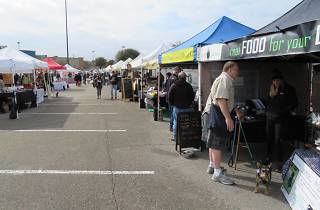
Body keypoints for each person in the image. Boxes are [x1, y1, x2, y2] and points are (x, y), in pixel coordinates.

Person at [203, 61, 240, 185]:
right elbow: (221, 100)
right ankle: (217, 173)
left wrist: (233, 111)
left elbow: (224, 100)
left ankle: (213, 166)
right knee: (217, 144)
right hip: (218, 114)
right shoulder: (225, 79)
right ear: (229, 70)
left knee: (213, 143)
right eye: (236, 70)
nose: (237, 72)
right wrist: (228, 118)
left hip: (215, 113)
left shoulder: (224, 79)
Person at [266, 71, 298, 172]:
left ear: (281, 80)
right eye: (274, 81)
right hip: (270, 117)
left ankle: (279, 162)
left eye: (277, 80)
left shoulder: (289, 89)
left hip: (281, 118)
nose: (275, 82)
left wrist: (282, 112)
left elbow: (294, 103)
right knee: (269, 137)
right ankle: (268, 157)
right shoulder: (272, 89)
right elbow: (270, 101)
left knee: (278, 139)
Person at [168, 71, 195, 141]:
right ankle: (185, 137)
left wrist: (172, 103)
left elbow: (169, 96)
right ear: (185, 78)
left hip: (177, 107)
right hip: (187, 107)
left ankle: (175, 137)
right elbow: (192, 96)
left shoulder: (174, 85)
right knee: (186, 123)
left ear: (178, 77)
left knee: (176, 122)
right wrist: (189, 103)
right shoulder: (189, 86)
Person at [166, 67, 182, 132]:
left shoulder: (169, 78)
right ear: (176, 71)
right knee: (173, 115)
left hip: (169, 98)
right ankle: (172, 128)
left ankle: (171, 127)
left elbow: (166, 87)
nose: (179, 73)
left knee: (171, 114)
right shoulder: (175, 79)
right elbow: (175, 90)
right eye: (179, 71)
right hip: (173, 100)